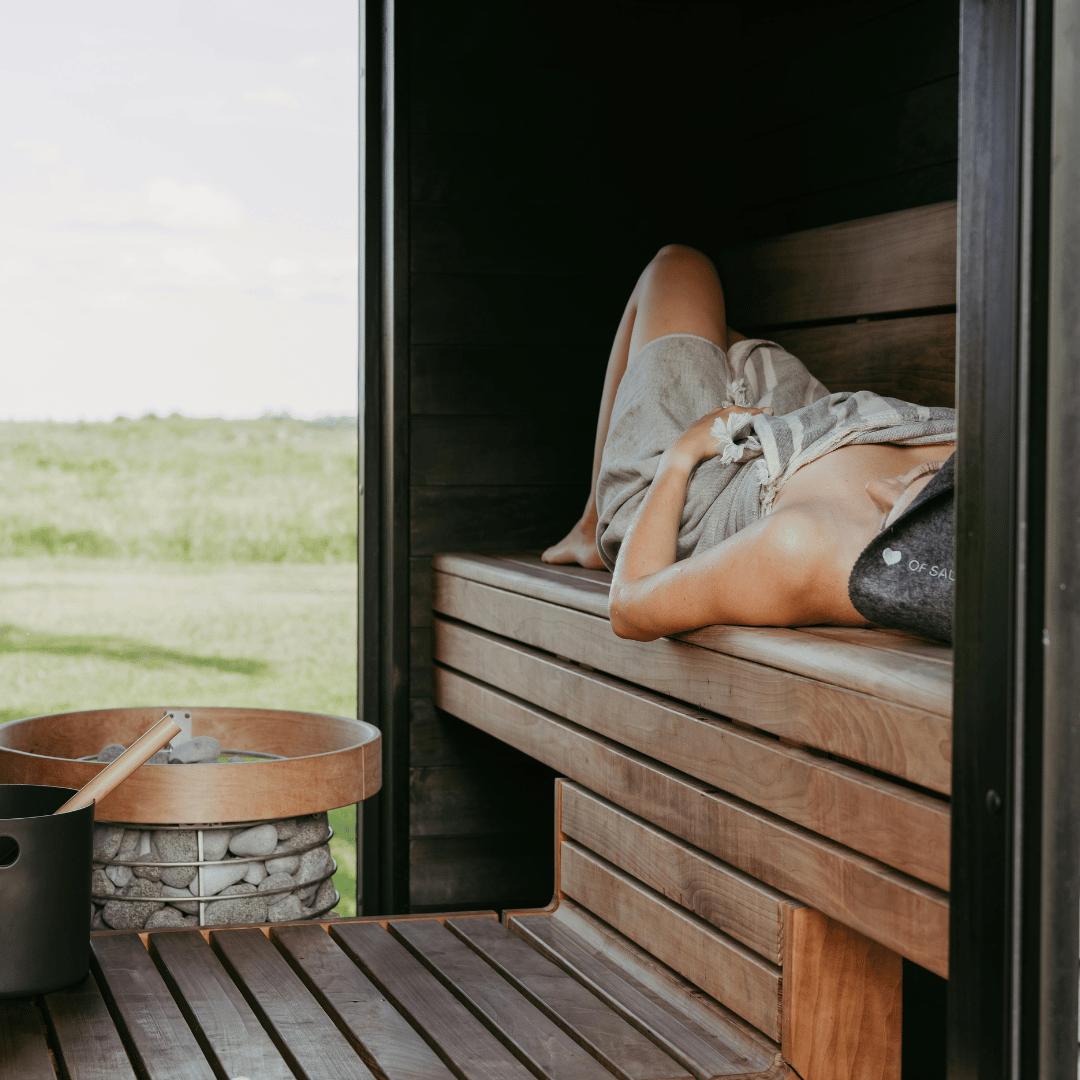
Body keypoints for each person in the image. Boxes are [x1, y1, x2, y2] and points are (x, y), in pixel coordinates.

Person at [542, 245, 957, 643]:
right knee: (707, 329)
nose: (886, 483)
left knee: (677, 268)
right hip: (817, 427)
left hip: (693, 496)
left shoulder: (803, 547)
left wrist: (681, 456)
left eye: (901, 497)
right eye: (943, 484)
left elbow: (630, 607)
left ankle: (590, 524)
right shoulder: (997, 472)